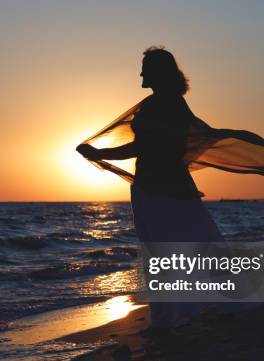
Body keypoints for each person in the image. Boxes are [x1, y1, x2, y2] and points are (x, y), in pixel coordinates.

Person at [77, 47, 225, 327]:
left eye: (146, 67)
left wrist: (100, 154)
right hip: (171, 184)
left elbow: (143, 146)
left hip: (157, 186)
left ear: (159, 72)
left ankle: (169, 317)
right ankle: (181, 311)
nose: (141, 73)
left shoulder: (160, 105)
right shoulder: (173, 102)